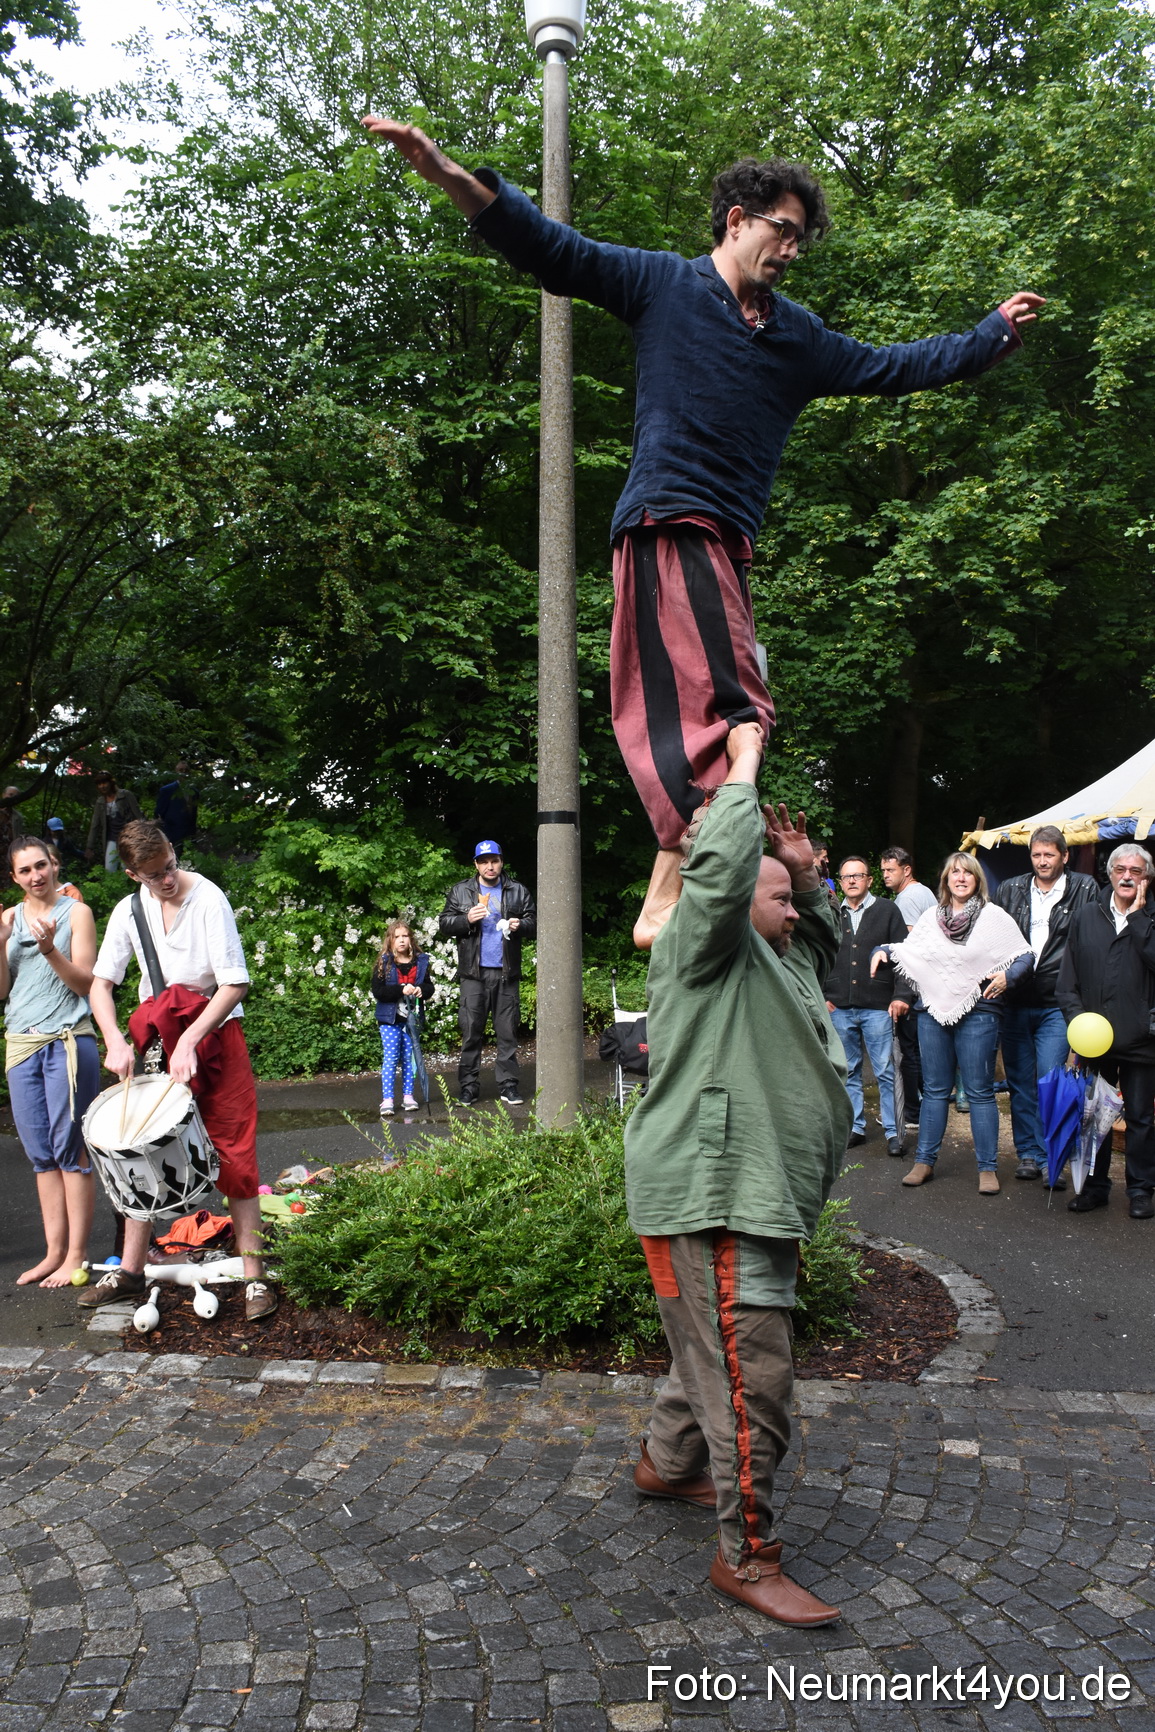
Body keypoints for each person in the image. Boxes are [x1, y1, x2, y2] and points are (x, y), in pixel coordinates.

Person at [361, 118, 1044, 918]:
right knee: (739, 712)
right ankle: (700, 858)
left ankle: (665, 888)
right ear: (737, 219)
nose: (790, 253)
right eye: (781, 233)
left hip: (726, 547)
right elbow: (551, 248)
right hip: (668, 524)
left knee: (724, 717)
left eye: (800, 241)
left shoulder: (797, 339)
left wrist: (987, 335)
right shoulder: (662, 286)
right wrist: (447, 174)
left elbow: (894, 367)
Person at [624, 722, 850, 1625]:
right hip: (717, 1192)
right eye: (779, 899)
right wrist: (744, 764)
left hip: (760, 1194)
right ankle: (748, 1559)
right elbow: (714, 876)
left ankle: (666, 1464)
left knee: (708, 1349)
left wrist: (802, 875)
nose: (793, 912)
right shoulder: (702, 951)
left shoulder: (783, 958)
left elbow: (818, 944)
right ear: (726, 905)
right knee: (754, 1381)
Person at [81, 819, 277, 1319]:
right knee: (135, 1145)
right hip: (156, 1038)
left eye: (169, 865)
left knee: (235, 1149)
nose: (167, 879)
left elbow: (234, 983)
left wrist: (191, 1038)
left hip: (215, 1035)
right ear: (132, 875)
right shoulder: (129, 911)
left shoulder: (208, 899)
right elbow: (101, 986)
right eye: (153, 875)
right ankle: (129, 1272)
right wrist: (114, 1040)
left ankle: (254, 1277)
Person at [871, 853, 1033, 1193]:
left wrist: (1008, 975)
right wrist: (883, 951)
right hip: (932, 1012)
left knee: (979, 1092)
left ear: (977, 879)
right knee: (934, 1091)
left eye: (967, 873)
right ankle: (924, 1163)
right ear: (945, 880)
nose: (960, 877)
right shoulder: (931, 917)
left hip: (980, 1012)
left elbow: (1024, 954)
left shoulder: (993, 917)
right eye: (954, 872)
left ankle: (987, 1169)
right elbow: (908, 952)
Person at [0, 837, 99, 1286]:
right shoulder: (8, 918)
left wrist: (49, 950)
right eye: (26, 870)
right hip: (21, 1044)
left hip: (68, 1041)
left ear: (54, 865)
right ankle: (52, 1252)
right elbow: (2, 991)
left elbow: (85, 984)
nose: (36, 875)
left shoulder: (76, 913)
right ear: (14, 877)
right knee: (41, 1154)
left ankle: (76, 1254)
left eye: (41, 865)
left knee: (69, 1149)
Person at [1057, 845, 1155, 1219]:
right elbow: (1068, 979)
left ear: (1147, 877)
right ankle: (1095, 1187)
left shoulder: (1152, 916)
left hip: (1142, 1038)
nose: (1127, 875)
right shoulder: (1086, 915)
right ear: (1109, 874)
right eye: (1120, 868)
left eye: (1136, 870)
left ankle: (1141, 1189)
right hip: (1094, 1039)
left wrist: (1141, 918)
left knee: (1141, 1118)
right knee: (1093, 1114)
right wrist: (1077, 1020)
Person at [996, 826, 1098, 1182]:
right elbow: (994, 939)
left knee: (1048, 1079)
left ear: (1064, 856)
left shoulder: (1085, 889)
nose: (1042, 861)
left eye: (1049, 855)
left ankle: (1050, 1153)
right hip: (1015, 1000)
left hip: (1057, 1001)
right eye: (1037, 855)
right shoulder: (1010, 889)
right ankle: (1028, 1153)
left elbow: (1091, 944)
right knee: (1020, 1082)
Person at [824, 856, 913, 1156]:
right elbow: (819, 954)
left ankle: (893, 1132)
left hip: (878, 1005)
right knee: (848, 1070)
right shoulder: (832, 912)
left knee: (886, 1070)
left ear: (869, 880)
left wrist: (901, 996)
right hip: (839, 1005)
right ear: (839, 880)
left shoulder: (888, 911)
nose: (851, 881)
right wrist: (823, 993)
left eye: (858, 875)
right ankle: (855, 1127)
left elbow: (904, 957)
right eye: (846, 876)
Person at [439, 842, 536, 1107]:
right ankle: (469, 1087)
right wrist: (466, 919)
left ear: (501, 862)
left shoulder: (517, 890)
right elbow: (445, 924)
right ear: (476, 864)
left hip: (506, 974)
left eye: (494, 861)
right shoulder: (462, 891)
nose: (489, 866)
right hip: (473, 974)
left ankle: (508, 1086)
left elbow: (535, 923)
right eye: (484, 862)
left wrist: (520, 925)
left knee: (507, 1032)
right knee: (471, 1032)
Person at [880, 847, 938, 1129]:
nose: (885, 876)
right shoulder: (924, 892)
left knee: (908, 1048)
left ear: (907, 869)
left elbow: (909, 942)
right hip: (928, 979)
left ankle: (913, 1113)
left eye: (890, 870)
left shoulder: (908, 897)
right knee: (917, 1046)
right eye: (882, 870)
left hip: (915, 981)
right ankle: (926, 1106)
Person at [371, 918, 434, 1115]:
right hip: (389, 1020)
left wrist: (419, 990)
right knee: (391, 1058)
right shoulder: (385, 963)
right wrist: (400, 989)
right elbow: (378, 991)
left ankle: (408, 1096)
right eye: (396, 937)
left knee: (408, 1058)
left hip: (411, 1020)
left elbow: (429, 987)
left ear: (411, 939)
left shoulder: (420, 962)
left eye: (405, 936)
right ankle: (387, 1100)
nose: (401, 940)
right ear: (390, 941)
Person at [85, 774, 142, 871]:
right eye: (99, 784)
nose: (102, 786)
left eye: (104, 783)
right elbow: (95, 825)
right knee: (109, 869)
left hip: (128, 837)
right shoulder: (100, 802)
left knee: (128, 868)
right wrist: (89, 847)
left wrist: (143, 835)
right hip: (112, 838)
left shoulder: (125, 795)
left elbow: (138, 815)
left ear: (111, 782)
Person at [155, 761, 199, 851]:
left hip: (189, 833)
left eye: (186, 770)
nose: (184, 772)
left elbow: (194, 813)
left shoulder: (194, 791)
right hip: (172, 833)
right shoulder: (167, 790)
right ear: (176, 772)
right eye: (181, 770)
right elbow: (159, 811)